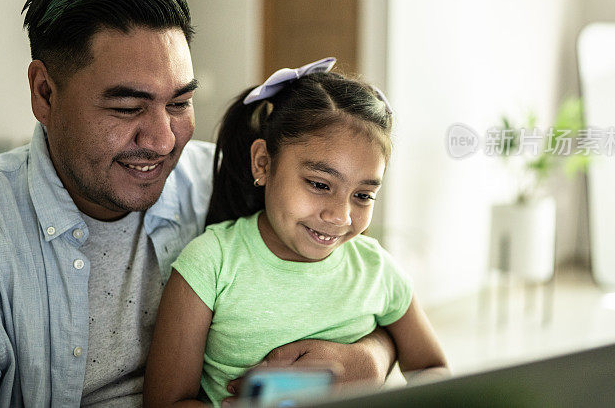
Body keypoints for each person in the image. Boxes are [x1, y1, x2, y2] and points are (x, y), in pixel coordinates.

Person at [0, 0, 396, 407]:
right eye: (126, 107)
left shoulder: (224, 182)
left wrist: (367, 358)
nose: (165, 139)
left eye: (180, 103)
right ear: (44, 93)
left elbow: (360, 283)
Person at [144, 59, 449, 407]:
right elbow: (165, 402)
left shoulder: (376, 269)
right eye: (319, 184)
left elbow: (433, 368)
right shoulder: (211, 263)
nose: (340, 215)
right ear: (263, 162)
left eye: (363, 195)